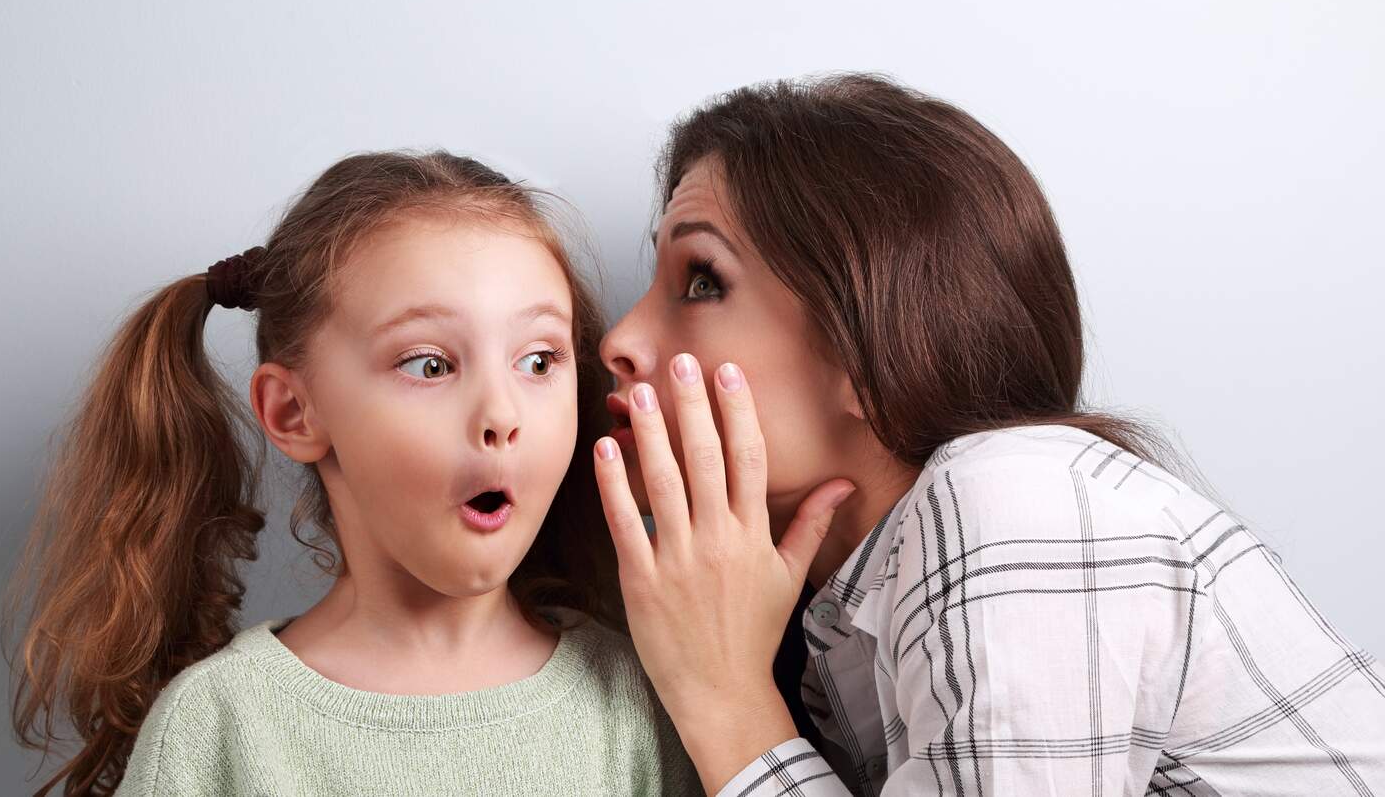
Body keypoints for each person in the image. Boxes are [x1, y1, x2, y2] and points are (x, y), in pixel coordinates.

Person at [593, 73, 1385, 795]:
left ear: (873, 354)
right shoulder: (840, 616)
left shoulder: (1014, 500)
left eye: (703, 281)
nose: (619, 340)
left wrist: (726, 698)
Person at [4, 150, 701, 796]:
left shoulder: (633, 700)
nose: (502, 414)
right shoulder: (217, 729)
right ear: (294, 413)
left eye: (539, 361)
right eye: (430, 364)